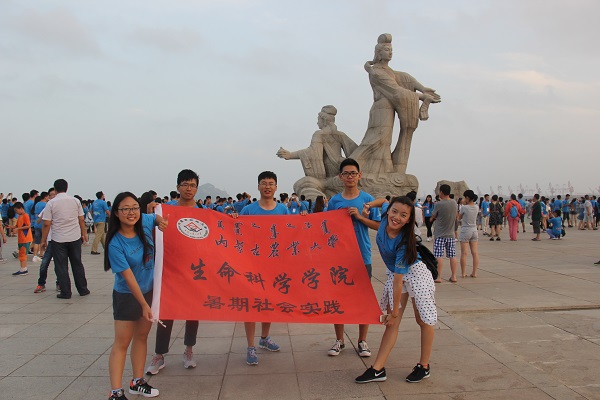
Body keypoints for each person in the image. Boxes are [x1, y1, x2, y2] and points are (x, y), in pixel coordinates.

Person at [355, 196, 436, 384]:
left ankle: (424, 366)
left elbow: (399, 282)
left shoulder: (403, 243)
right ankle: (377, 369)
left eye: (403, 215)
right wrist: (368, 206)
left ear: (408, 220)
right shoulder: (386, 218)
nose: (396, 217)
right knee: (392, 324)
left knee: (423, 320)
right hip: (396, 274)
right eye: (394, 211)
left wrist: (394, 312)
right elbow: (383, 200)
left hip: (416, 274)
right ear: (388, 211)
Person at [106, 192, 167, 400]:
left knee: (141, 337)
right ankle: (115, 392)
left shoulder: (144, 221)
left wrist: (161, 223)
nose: (131, 213)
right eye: (125, 209)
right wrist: (143, 304)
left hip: (149, 291)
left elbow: (157, 218)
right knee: (122, 342)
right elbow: (129, 278)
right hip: (127, 296)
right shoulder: (115, 243)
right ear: (116, 213)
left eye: (134, 208)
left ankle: (137, 381)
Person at [350, 33, 440, 175]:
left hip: (388, 109)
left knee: (384, 142)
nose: (390, 53)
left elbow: (404, 78)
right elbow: (396, 91)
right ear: (379, 53)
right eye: (387, 50)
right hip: (381, 109)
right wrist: (421, 97)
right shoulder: (376, 72)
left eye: (391, 50)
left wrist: (422, 88)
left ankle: (383, 171)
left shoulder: (389, 71)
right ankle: (350, 167)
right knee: (377, 140)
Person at [147, 169, 202, 374]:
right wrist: (149, 214)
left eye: (193, 185)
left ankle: (189, 350)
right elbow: (150, 231)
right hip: (171, 269)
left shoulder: (203, 211)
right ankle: (159, 354)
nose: (189, 189)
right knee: (166, 312)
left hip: (196, 270)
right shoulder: (166, 210)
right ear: (178, 187)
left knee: (193, 312)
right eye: (185, 184)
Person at [326, 158, 381, 358]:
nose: (350, 177)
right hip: (339, 257)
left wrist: (359, 217)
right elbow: (325, 225)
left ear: (359, 175)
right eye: (346, 173)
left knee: (363, 299)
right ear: (340, 177)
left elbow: (378, 225)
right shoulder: (334, 201)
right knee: (338, 299)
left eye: (353, 173)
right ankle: (339, 340)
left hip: (362, 256)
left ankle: (362, 341)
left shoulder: (367, 199)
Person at [237, 171, 290, 365]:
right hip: (252, 266)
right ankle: (251, 346)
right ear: (258, 186)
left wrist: (302, 218)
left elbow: (291, 233)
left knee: (268, 303)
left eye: (271, 183)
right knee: (250, 305)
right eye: (264, 183)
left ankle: (264, 338)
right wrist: (233, 219)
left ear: (276, 187)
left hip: (274, 265)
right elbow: (237, 233)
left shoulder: (283, 210)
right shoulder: (248, 210)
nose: (267, 186)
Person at [277, 105, 358, 179]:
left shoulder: (319, 134)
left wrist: (290, 155)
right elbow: (355, 150)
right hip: (341, 165)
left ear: (323, 120)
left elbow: (311, 152)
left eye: (318, 119)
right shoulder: (341, 134)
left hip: (329, 167)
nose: (317, 122)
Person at [40, 179, 90, 299]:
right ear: (67, 188)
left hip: (58, 239)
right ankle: (83, 289)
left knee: (61, 266)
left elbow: (46, 224)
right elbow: (81, 219)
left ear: (55, 189)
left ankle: (66, 292)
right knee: (77, 263)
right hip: (74, 237)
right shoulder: (75, 201)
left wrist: (43, 240)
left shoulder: (51, 203)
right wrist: (83, 234)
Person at [431, 184, 458, 283]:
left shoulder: (439, 204)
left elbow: (433, 216)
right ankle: (454, 276)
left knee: (439, 256)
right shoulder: (454, 203)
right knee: (452, 255)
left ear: (441, 192)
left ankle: (439, 277)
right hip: (451, 234)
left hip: (440, 234)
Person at [458, 190, 480, 278]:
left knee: (464, 253)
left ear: (467, 197)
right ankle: (474, 272)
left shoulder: (464, 208)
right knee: (475, 253)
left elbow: (459, 218)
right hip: (474, 230)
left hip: (466, 230)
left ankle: (463, 273)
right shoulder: (476, 207)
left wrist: (462, 204)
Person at [10, 202, 33, 276]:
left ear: (21, 209)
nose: (16, 212)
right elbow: (17, 225)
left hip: (25, 238)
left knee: (23, 254)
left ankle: (24, 269)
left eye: (16, 210)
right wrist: (12, 227)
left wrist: (18, 229)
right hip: (21, 238)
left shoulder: (25, 215)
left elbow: (28, 226)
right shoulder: (19, 216)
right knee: (21, 254)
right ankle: (22, 268)